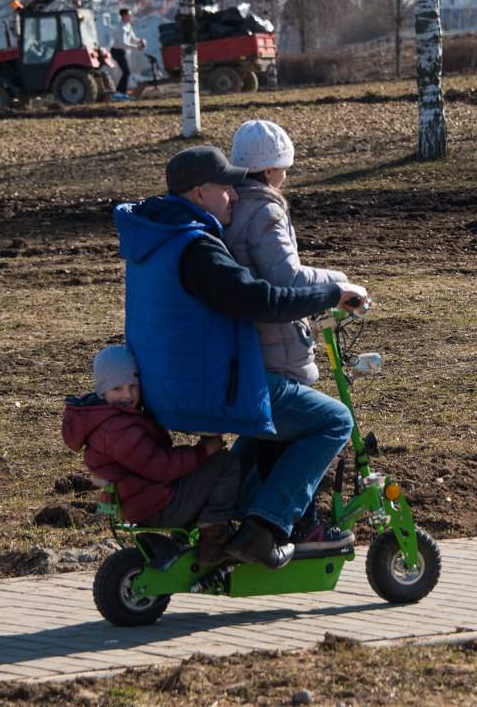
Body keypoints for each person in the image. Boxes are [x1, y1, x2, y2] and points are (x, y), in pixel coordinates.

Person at [113, 146, 367, 570]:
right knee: (334, 420)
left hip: (166, 385)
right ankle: (265, 526)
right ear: (198, 193)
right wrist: (332, 294)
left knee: (265, 426)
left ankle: (242, 515)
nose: (235, 196)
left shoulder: (155, 235)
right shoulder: (196, 248)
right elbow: (261, 300)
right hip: (202, 388)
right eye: (226, 189)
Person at [224, 120, 354, 553]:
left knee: (268, 433)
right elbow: (287, 276)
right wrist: (340, 283)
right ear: (273, 168)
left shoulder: (233, 206)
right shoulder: (265, 210)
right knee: (322, 423)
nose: (286, 174)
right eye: (284, 166)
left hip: (251, 343)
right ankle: (289, 522)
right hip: (275, 342)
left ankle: (237, 511)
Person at [62, 346, 239, 566]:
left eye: (133, 386)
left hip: (144, 501)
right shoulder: (117, 430)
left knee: (200, 471)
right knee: (225, 462)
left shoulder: (107, 421)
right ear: (102, 393)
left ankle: (184, 538)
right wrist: (204, 450)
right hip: (160, 506)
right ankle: (215, 542)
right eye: (117, 388)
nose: (127, 394)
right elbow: (161, 466)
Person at [110, 8, 145, 101]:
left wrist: (139, 41)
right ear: (124, 16)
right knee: (126, 72)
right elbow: (122, 44)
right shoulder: (121, 28)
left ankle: (120, 93)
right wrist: (137, 47)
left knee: (126, 72)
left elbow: (132, 38)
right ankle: (120, 93)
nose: (131, 16)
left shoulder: (128, 25)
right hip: (117, 51)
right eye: (129, 15)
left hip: (121, 51)